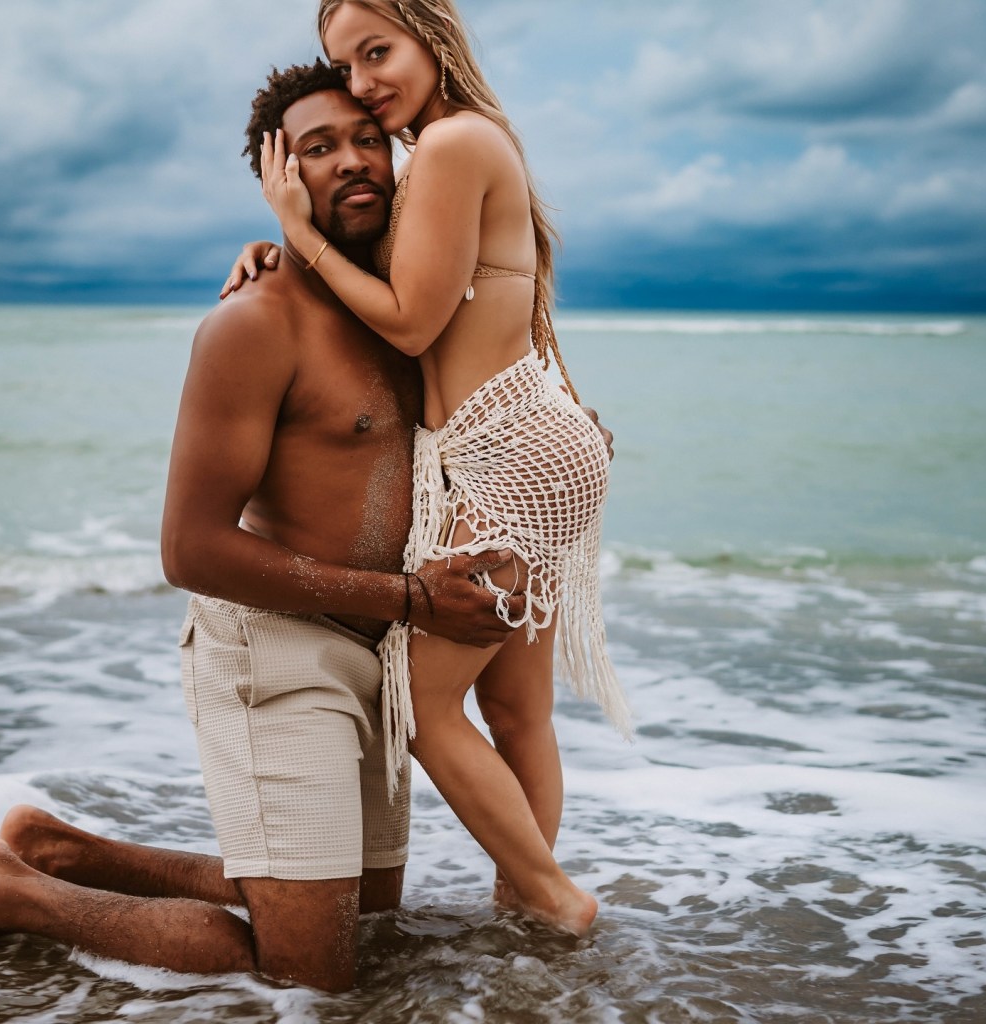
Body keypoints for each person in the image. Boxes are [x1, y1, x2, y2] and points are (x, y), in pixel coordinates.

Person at [0, 61, 544, 994]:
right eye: (319, 148)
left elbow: (504, 384)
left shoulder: (416, 308)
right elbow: (188, 548)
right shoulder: (254, 323)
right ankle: (13, 892)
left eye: (370, 139)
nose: (354, 162)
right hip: (277, 650)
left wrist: (567, 435)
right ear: (280, 178)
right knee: (312, 970)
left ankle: (63, 848)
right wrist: (409, 594)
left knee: (370, 909)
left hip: (384, 652)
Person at [257, 0, 631, 938]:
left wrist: (296, 237)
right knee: (514, 706)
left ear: (431, 34)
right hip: (527, 439)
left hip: (507, 449)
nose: (365, 81)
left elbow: (413, 322)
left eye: (378, 52)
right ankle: (528, 904)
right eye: (345, 66)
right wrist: (279, 256)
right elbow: (422, 289)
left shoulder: (457, 143)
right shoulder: (455, 147)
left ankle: (553, 896)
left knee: (421, 706)